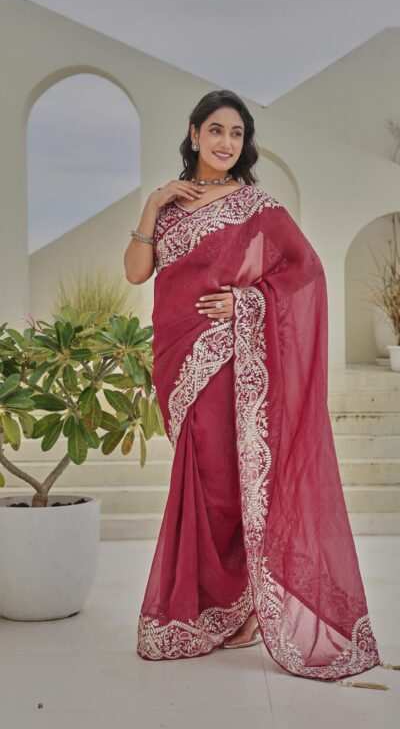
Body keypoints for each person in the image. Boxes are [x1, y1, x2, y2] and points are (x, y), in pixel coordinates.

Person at [124, 89, 384, 684]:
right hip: (177, 363)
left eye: (237, 134)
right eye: (216, 130)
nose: (226, 143)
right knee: (200, 484)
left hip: (228, 364)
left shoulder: (257, 206)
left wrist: (245, 302)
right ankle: (213, 608)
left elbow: (305, 273)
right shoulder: (169, 207)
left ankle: (243, 608)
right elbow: (138, 272)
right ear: (194, 133)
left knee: (227, 485)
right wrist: (154, 202)